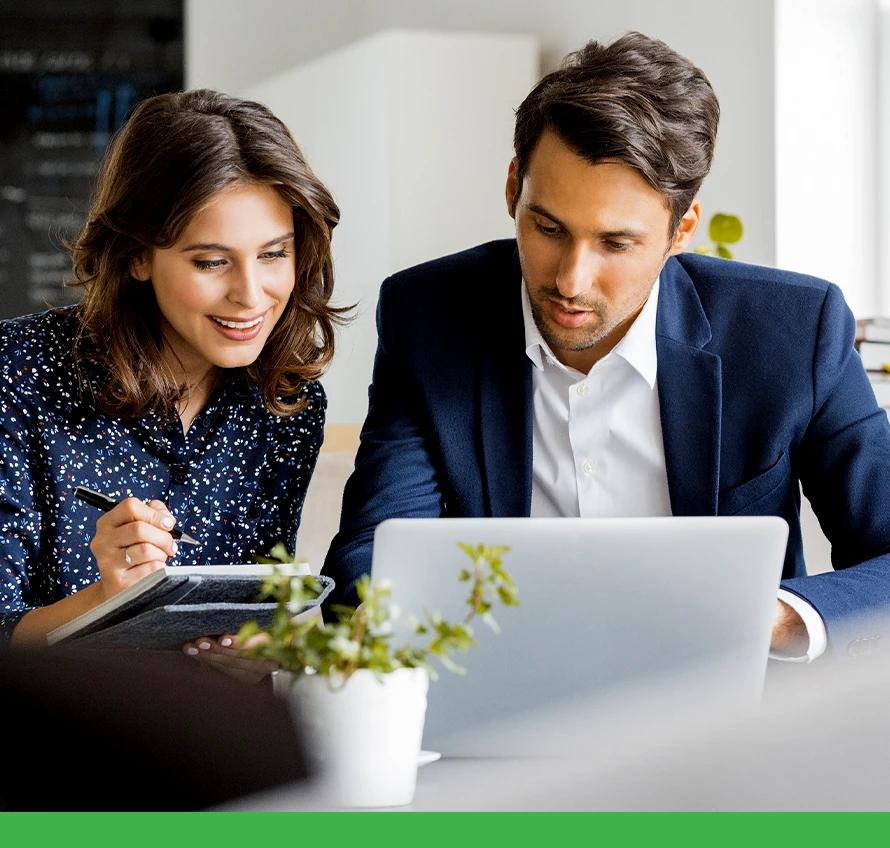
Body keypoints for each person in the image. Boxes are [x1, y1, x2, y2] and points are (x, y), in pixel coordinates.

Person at [321, 31, 890, 662]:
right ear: (515, 187)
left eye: (616, 244)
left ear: (682, 231)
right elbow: (374, 547)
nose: (571, 280)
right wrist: (390, 614)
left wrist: (773, 617)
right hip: (502, 691)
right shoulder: (429, 317)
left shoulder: (793, 331)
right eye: (547, 228)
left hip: (727, 710)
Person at [1, 89, 346, 647]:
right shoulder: (17, 374)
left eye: (274, 253)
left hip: (197, 728)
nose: (251, 295)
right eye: (212, 262)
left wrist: (257, 655)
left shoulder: (287, 407)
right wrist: (108, 598)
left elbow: (253, 618)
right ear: (137, 255)